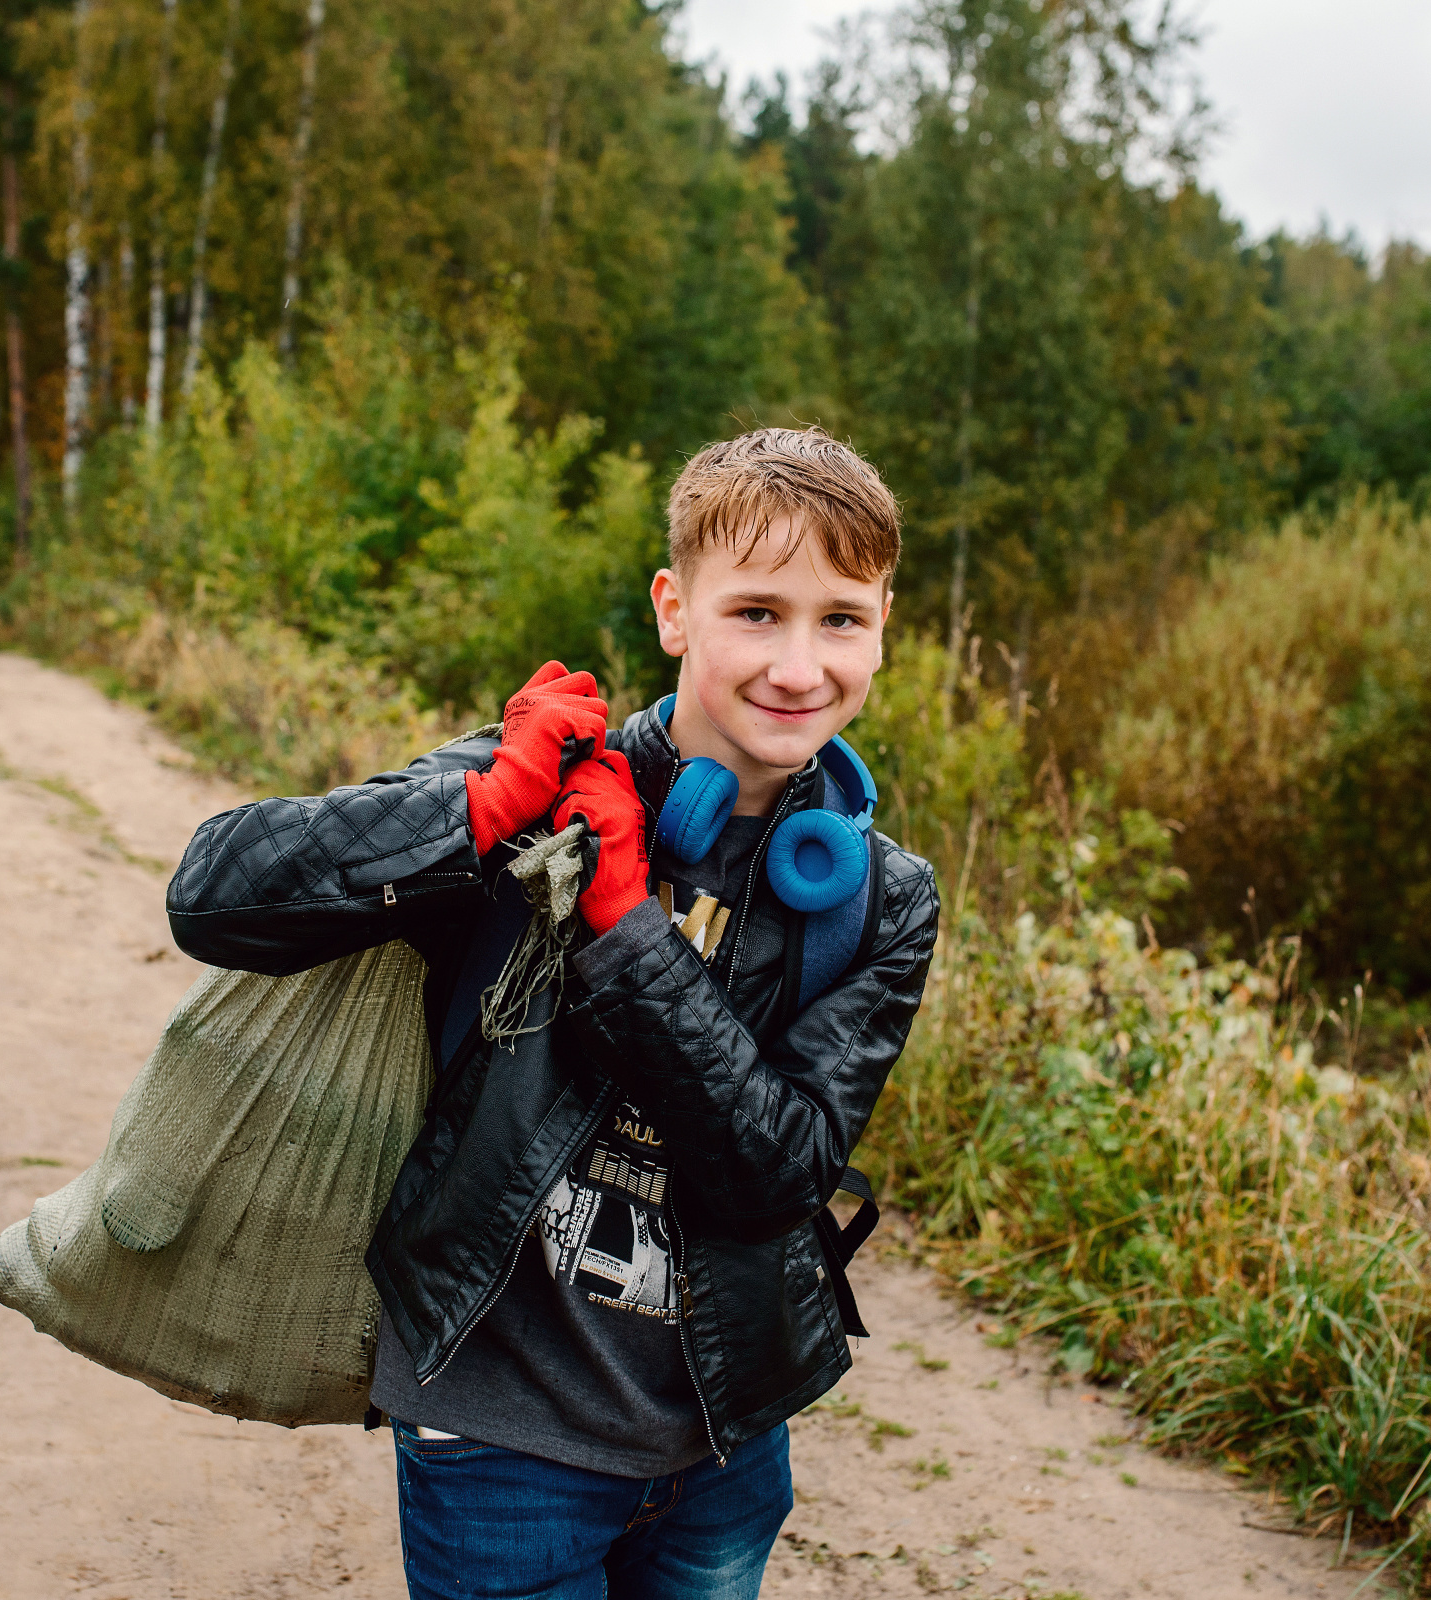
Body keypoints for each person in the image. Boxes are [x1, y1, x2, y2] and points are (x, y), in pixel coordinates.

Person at [165, 427, 941, 1600]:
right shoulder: (541, 789)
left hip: (724, 1447)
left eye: (841, 618)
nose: (798, 665)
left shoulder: (879, 898)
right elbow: (212, 895)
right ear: (674, 610)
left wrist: (625, 930)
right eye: (757, 612)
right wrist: (468, 816)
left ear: (884, 623)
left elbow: (773, 1176)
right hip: (496, 1445)